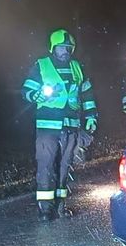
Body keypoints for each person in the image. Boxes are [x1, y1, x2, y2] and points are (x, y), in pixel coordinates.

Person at [22, 29, 97, 220]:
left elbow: (87, 94)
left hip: (71, 125)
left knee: (64, 167)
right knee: (46, 166)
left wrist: (91, 117)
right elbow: (27, 90)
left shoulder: (77, 67)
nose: (65, 50)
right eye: (61, 47)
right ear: (53, 48)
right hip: (48, 126)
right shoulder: (41, 65)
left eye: (68, 47)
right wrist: (36, 94)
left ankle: (60, 207)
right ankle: (45, 210)